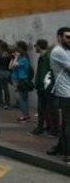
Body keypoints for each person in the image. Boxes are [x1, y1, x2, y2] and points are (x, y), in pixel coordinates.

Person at [48, 27, 70, 163]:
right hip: (66, 93)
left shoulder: (66, 51)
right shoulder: (58, 51)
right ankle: (67, 153)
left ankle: (60, 147)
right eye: (67, 37)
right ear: (59, 37)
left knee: (67, 123)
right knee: (68, 124)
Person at [31, 39, 59, 136]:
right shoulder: (41, 57)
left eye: (36, 46)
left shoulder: (48, 57)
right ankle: (40, 128)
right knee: (41, 109)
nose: (35, 48)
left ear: (39, 46)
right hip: (41, 87)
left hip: (49, 87)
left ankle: (55, 130)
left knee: (52, 109)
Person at [9, 46, 32, 123]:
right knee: (22, 98)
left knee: (20, 98)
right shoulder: (17, 60)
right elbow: (10, 67)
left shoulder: (23, 60)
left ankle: (26, 115)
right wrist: (13, 58)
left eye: (15, 52)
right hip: (17, 81)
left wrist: (16, 57)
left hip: (22, 81)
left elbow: (14, 65)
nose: (14, 54)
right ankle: (25, 114)